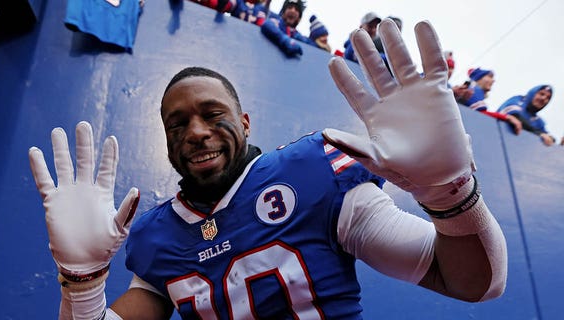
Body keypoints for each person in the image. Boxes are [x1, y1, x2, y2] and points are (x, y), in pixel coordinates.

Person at [28, 19, 507, 319]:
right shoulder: (157, 236)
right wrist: (84, 282)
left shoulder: (314, 173)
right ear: (169, 143)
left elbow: (471, 283)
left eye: (212, 115)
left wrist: (451, 196)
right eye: (177, 125)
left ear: (244, 121)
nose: (195, 132)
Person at [460, 67, 522, 134]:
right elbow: (481, 113)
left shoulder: (475, 90)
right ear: (479, 78)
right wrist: (507, 117)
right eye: (489, 77)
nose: (493, 80)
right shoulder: (475, 90)